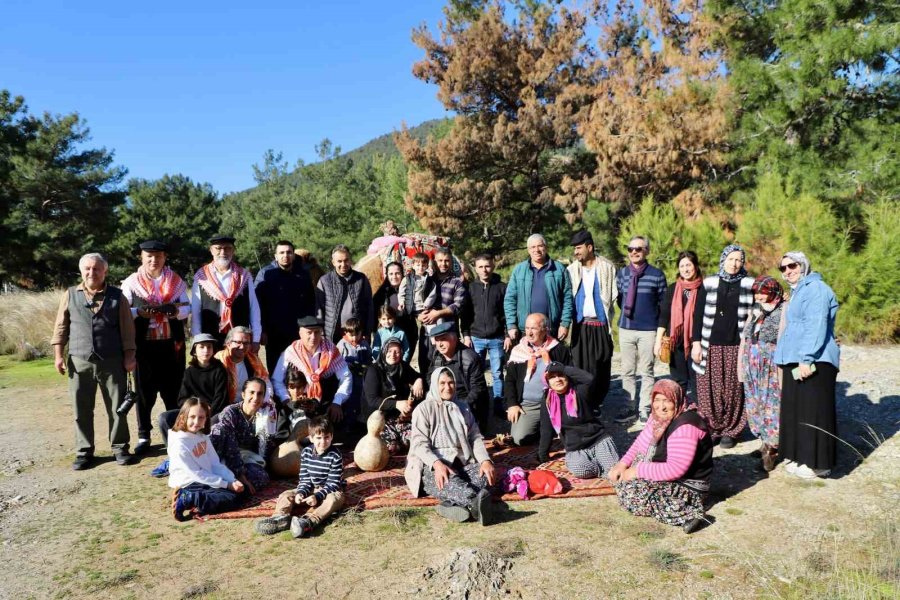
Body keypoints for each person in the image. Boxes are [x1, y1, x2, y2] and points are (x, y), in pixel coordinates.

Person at [52, 252, 138, 470]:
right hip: (79, 361)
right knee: (81, 408)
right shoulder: (70, 294)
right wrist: (58, 355)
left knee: (117, 408)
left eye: (97, 268)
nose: (92, 272)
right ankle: (84, 451)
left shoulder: (118, 297)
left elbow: (128, 331)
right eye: (88, 269)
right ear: (82, 271)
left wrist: (129, 356)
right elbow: (61, 327)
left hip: (112, 361)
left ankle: (120, 448)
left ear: (105, 271)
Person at [608, 380, 713, 534]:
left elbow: (676, 469)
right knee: (621, 479)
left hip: (688, 484)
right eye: (657, 400)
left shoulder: (686, 426)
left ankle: (689, 514)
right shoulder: (658, 416)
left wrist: (637, 471)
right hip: (664, 467)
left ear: (677, 400)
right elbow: (640, 442)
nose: (661, 406)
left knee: (633, 495)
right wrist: (623, 464)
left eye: (667, 401)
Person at [774, 252, 840, 479]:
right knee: (798, 410)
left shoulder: (816, 289)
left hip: (815, 360)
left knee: (815, 411)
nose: (788, 271)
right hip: (797, 358)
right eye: (783, 268)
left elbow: (816, 324)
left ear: (803, 265)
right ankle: (802, 456)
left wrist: (807, 357)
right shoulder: (798, 292)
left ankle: (819, 464)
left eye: (792, 265)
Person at [120, 240, 190, 454]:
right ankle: (144, 435)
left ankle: (176, 432)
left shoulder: (175, 281)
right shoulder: (132, 282)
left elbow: (187, 308)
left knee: (174, 390)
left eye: (158, 256)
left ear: (164, 257)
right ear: (141, 257)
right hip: (144, 346)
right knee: (144, 391)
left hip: (171, 345)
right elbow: (124, 311)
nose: (154, 260)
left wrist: (174, 312)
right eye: (149, 256)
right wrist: (139, 313)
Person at [405, 368, 496, 525]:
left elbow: (475, 437)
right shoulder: (423, 409)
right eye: (442, 383)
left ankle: (451, 506)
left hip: (462, 464)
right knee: (444, 480)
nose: (447, 387)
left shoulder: (463, 407)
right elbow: (419, 445)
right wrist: (437, 464)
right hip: (432, 465)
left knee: (485, 476)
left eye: (451, 382)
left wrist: (485, 460)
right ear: (434, 384)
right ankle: (475, 504)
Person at [690, 244, 755, 448]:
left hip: (737, 345)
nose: (734, 264)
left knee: (734, 389)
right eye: (731, 259)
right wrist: (696, 343)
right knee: (709, 389)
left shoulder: (749, 283)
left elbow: (766, 301)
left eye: (739, 260)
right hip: (711, 344)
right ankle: (712, 428)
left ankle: (731, 431)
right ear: (723, 260)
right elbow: (698, 314)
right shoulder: (709, 282)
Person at [255, 416, 346, 537]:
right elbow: (305, 479)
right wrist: (301, 493)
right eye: (319, 438)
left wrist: (317, 497)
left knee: (333, 500)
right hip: (312, 488)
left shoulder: (336, 455)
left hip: (331, 490)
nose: (323, 441)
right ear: (311, 438)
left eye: (326, 437)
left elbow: (333, 483)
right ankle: (280, 518)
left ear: (332, 437)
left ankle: (308, 521)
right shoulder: (306, 453)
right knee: (286, 495)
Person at [614, 236, 667, 424]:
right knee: (627, 370)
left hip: (648, 330)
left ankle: (644, 408)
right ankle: (629, 407)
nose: (634, 252)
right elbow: (620, 300)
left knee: (647, 370)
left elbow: (663, 305)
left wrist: (661, 331)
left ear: (647, 251)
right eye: (630, 249)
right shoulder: (621, 274)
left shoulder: (657, 275)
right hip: (626, 328)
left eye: (638, 248)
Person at [538, 363, 619, 479]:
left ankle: (606, 468)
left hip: (597, 439)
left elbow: (589, 379)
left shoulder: (579, 391)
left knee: (614, 470)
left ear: (567, 377)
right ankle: (602, 470)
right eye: (552, 377)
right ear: (547, 381)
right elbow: (546, 428)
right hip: (576, 447)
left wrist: (564, 368)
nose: (558, 379)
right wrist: (542, 455)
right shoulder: (547, 400)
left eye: (561, 375)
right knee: (580, 470)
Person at [168, 398, 245, 521]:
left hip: (205, 478)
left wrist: (232, 479)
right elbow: (196, 473)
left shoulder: (202, 437)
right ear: (183, 417)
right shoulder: (179, 443)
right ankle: (189, 498)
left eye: (201, 417)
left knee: (240, 494)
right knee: (232, 500)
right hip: (189, 482)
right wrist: (226, 484)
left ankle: (199, 500)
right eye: (192, 417)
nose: (196, 421)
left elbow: (215, 464)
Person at [738, 276, 786, 471]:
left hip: (771, 367)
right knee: (754, 404)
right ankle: (763, 441)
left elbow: (784, 339)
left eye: (763, 292)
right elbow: (745, 338)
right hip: (751, 365)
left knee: (771, 406)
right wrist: (741, 366)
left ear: (773, 291)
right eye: (756, 292)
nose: (759, 296)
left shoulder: (784, 311)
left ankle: (772, 448)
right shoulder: (755, 311)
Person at [504, 313, 572, 445]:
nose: (529, 333)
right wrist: (512, 404)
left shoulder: (558, 350)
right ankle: (544, 429)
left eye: (533, 328)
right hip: (529, 405)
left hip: (553, 402)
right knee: (519, 439)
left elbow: (569, 376)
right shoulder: (518, 351)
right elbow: (510, 381)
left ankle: (551, 427)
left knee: (571, 437)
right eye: (527, 328)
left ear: (545, 330)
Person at [271, 316, 352, 426]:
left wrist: (337, 402)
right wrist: (287, 400)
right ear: (300, 334)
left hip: (325, 401)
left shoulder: (331, 350)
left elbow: (346, 377)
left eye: (317, 332)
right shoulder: (290, 352)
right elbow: (277, 380)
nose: (313, 337)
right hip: (297, 402)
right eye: (309, 333)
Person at [567, 230, 617, 407]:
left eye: (579, 248)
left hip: (601, 325)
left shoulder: (607, 267)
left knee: (602, 366)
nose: (576, 252)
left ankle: (597, 403)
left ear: (590, 247)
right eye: (574, 248)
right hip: (580, 326)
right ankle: (584, 403)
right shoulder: (571, 270)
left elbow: (614, 296)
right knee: (580, 366)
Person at [190, 234, 261, 351]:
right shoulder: (201, 276)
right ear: (211, 250)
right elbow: (196, 311)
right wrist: (198, 338)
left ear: (233, 251)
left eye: (227, 248)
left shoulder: (244, 276)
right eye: (218, 248)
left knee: (241, 369)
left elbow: (254, 308)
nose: (223, 252)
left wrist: (256, 338)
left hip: (239, 338)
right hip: (210, 338)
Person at [254, 240, 315, 373]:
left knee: (299, 369)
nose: (285, 255)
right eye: (281, 252)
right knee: (276, 369)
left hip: (297, 331)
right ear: (275, 256)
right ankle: (276, 394)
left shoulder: (303, 274)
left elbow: (311, 302)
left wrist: (310, 328)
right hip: (274, 333)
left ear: (293, 255)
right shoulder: (265, 274)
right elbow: (258, 305)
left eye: (288, 252)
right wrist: (262, 330)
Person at [461, 253, 510, 419]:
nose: (484, 270)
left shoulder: (502, 287)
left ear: (493, 266)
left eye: (487, 266)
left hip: (497, 338)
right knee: (476, 374)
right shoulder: (470, 288)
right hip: (476, 338)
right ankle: (480, 405)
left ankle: (498, 405)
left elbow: (507, 313)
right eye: (481, 267)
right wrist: (466, 335)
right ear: (475, 268)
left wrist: (507, 335)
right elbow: (465, 314)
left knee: (497, 373)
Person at [210, 378, 277, 494]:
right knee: (219, 430)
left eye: (260, 394)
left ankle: (231, 486)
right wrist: (240, 475)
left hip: (245, 458)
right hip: (222, 456)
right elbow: (229, 445)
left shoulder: (265, 415)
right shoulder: (231, 412)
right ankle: (226, 482)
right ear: (243, 395)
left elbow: (266, 448)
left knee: (262, 476)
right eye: (251, 393)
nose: (255, 398)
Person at [504, 234, 573, 344]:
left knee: (551, 361)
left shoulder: (559, 269)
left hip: (551, 329)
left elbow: (568, 299)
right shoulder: (519, 270)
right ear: (528, 250)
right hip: (526, 331)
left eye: (540, 246)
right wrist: (511, 325)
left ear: (546, 247)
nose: (536, 250)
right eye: (533, 247)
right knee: (528, 360)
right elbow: (510, 300)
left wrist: (564, 324)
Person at [655, 250, 703, 402]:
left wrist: (698, 344)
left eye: (689, 265)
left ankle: (697, 417)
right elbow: (664, 316)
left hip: (697, 343)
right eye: (682, 266)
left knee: (697, 382)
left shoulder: (704, 289)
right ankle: (679, 414)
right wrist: (658, 341)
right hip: (675, 343)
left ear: (695, 266)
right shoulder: (672, 288)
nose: (685, 269)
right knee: (678, 381)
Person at [362, 338, 425, 453]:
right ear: (384, 351)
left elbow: (417, 376)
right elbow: (372, 400)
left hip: (400, 418)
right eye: (390, 351)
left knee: (415, 442)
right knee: (391, 448)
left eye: (397, 351)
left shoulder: (403, 367)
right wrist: (397, 404)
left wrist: (419, 380)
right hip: (380, 419)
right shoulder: (374, 370)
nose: (393, 355)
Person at [427, 322, 491, 433]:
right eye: (437, 340)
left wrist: (458, 407)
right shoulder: (437, 355)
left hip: (466, 404)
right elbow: (430, 377)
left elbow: (477, 389)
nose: (440, 344)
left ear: (455, 338)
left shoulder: (470, 358)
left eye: (443, 339)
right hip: (443, 400)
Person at [419, 248, 468, 375]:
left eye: (447, 261)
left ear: (451, 262)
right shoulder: (426, 280)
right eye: (440, 260)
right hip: (427, 330)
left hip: (449, 330)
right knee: (426, 362)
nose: (443, 264)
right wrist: (418, 315)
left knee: (449, 364)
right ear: (434, 262)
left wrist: (438, 313)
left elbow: (458, 305)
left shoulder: (457, 282)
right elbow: (416, 301)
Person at [316, 245, 374, 344]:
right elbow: (319, 310)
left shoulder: (361, 279)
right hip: (332, 336)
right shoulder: (324, 281)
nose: (343, 264)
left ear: (350, 260)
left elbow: (369, 307)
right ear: (333, 262)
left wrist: (367, 332)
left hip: (356, 335)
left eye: (346, 260)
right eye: (339, 261)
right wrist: (321, 335)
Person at [214, 326, 270, 405]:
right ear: (228, 343)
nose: (242, 347)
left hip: (248, 405)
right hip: (222, 406)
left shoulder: (253, 360)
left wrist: (267, 401)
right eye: (238, 342)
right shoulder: (218, 360)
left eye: (246, 343)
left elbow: (265, 382)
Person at [374, 261, 417, 354]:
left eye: (397, 273)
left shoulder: (411, 290)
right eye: (391, 274)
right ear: (387, 275)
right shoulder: (381, 293)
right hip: (388, 335)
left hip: (408, 332)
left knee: (405, 362)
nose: (394, 276)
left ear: (402, 273)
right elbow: (375, 315)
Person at [335, 318, 371, 427]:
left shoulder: (364, 343)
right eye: (351, 335)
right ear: (346, 333)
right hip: (347, 377)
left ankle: (361, 420)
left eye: (357, 334)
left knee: (361, 397)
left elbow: (369, 358)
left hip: (361, 377)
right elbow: (337, 361)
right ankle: (347, 422)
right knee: (349, 399)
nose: (354, 338)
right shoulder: (342, 344)